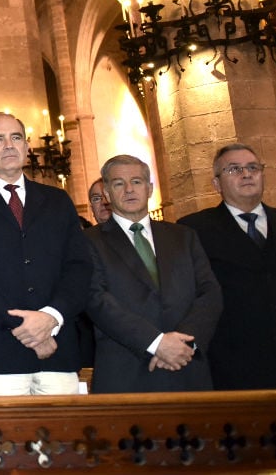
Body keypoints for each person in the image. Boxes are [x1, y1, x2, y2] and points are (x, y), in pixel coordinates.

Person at [0, 111, 92, 396]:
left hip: (57, 348)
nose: (9, 145)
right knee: (1, 441)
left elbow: (79, 268)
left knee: (64, 439)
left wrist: (51, 318)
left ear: (26, 147)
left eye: (16, 137)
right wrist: (24, 326)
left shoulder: (57, 201)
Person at [178, 143, 276, 390]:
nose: (246, 174)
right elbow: (190, 296)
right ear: (216, 184)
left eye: (253, 168)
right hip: (232, 366)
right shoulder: (194, 230)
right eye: (234, 169)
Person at [84, 155, 222, 393]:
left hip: (186, 366)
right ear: (106, 193)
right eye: (118, 184)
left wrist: (184, 343)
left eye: (137, 182)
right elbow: (96, 300)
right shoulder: (88, 242)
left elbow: (210, 293)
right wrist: (156, 343)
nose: (129, 189)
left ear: (149, 188)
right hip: (127, 373)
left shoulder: (183, 237)